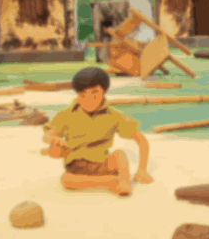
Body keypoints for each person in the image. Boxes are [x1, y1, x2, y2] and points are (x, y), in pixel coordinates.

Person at [43, 66, 153, 195]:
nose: (88, 100)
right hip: (77, 164)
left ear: (104, 92)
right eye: (82, 95)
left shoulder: (113, 116)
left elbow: (141, 139)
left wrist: (142, 169)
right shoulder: (66, 114)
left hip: (103, 163)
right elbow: (48, 134)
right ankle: (106, 182)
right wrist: (52, 139)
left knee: (120, 155)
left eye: (94, 94)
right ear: (77, 94)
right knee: (66, 179)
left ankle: (124, 182)